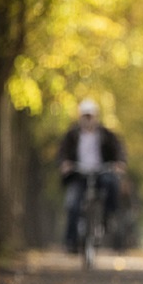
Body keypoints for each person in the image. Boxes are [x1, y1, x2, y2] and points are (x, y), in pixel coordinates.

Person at [57, 99, 127, 253]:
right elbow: (62, 152)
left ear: (96, 116)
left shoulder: (106, 134)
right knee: (73, 204)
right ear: (80, 117)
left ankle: (108, 217)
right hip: (79, 174)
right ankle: (71, 241)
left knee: (112, 183)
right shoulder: (72, 135)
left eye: (90, 116)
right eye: (85, 116)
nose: (88, 119)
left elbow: (118, 149)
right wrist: (64, 164)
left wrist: (119, 163)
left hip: (101, 172)